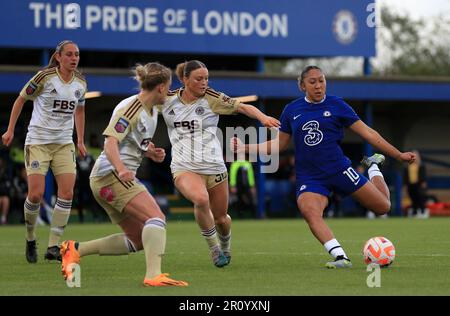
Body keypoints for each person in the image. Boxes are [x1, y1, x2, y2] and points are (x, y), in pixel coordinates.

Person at [232, 65, 416, 268]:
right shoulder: (291, 110)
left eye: (322, 81)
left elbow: (369, 133)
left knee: (383, 207)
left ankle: (373, 167)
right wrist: (245, 147)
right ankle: (340, 257)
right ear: (302, 86)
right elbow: (279, 145)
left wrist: (398, 154)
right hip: (310, 176)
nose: (318, 86)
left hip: (339, 169)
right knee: (309, 211)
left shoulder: (337, 105)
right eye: (312, 82)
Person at [59, 62, 187, 287]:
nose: (168, 92)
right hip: (110, 176)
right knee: (156, 218)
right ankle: (153, 275)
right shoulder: (131, 108)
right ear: (160, 88)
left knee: (137, 239)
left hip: (108, 178)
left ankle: (74, 250)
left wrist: (149, 152)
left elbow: (131, 142)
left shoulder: (150, 111)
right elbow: (110, 144)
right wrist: (121, 169)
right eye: (168, 87)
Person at [158, 60, 280, 267]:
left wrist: (263, 117)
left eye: (206, 78)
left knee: (222, 219)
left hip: (214, 167)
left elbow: (243, 107)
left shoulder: (211, 98)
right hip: (184, 167)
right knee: (200, 199)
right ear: (184, 79)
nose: (204, 82)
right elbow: (142, 104)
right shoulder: (167, 99)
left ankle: (225, 246)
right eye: (198, 79)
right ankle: (214, 250)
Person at [1, 40, 87, 262]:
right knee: (36, 194)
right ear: (58, 57)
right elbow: (21, 99)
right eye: (69, 54)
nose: (74, 58)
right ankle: (30, 237)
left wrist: (80, 139)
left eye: (76, 54)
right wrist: (10, 130)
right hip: (38, 142)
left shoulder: (80, 82)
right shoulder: (44, 77)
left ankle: (52, 246)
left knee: (67, 193)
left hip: (63, 144)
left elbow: (79, 111)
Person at [404, 150, 429, 218]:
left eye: (416, 156)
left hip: (418, 184)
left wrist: (423, 182)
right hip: (410, 185)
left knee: (420, 198)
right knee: (413, 199)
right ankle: (414, 213)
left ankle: (423, 212)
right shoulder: (408, 166)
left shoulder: (421, 165)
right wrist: (406, 185)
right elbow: (406, 176)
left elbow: (423, 175)